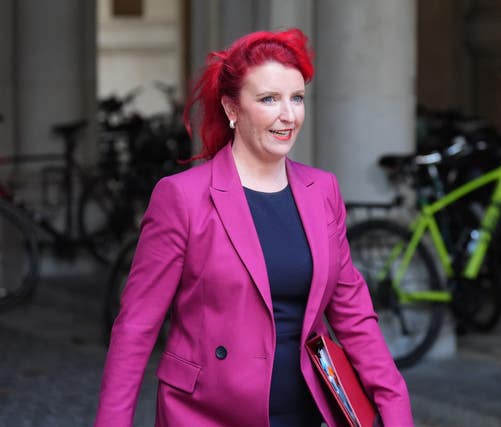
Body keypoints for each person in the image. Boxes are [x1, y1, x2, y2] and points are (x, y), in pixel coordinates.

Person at [94, 28, 414, 427]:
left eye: (297, 98)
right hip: (205, 413)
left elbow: (353, 314)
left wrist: (395, 408)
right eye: (269, 99)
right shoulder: (182, 197)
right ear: (231, 108)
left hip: (303, 411)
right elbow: (137, 326)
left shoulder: (322, 190)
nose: (289, 115)